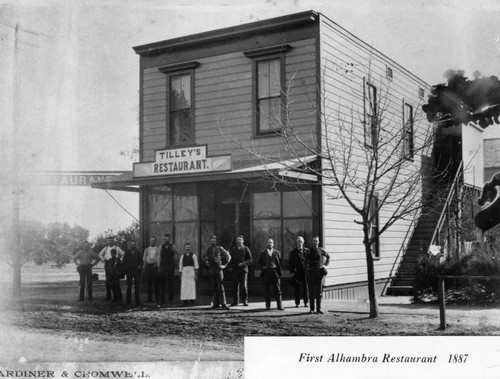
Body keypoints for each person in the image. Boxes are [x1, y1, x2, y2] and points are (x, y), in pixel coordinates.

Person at [203, 235, 231, 310]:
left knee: (221, 287)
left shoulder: (220, 248)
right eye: (212, 240)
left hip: (219, 269)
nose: (213, 242)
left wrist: (224, 265)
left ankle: (224, 304)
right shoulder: (208, 249)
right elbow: (203, 257)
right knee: (214, 287)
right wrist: (207, 263)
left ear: (216, 241)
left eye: (214, 240)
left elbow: (228, 256)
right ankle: (216, 304)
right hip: (212, 270)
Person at [306, 236, 330, 314]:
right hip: (311, 273)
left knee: (319, 292)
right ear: (312, 242)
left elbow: (328, 256)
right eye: (314, 241)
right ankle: (312, 309)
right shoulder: (309, 251)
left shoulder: (321, 250)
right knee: (311, 291)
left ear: (318, 242)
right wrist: (307, 269)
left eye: (316, 241)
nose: (315, 242)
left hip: (319, 273)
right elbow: (305, 261)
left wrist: (325, 265)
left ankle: (318, 309)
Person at [257, 238, 284, 311]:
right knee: (267, 289)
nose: (270, 244)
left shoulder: (277, 253)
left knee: (277, 289)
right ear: (266, 244)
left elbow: (280, 262)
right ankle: (268, 305)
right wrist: (263, 267)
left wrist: (276, 268)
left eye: (271, 243)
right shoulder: (263, 253)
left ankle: (279, 306)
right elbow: (259, 262)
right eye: (269, 242)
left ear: (273, 244)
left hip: (275, 272)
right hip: (267, 272)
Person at [98, 236, 125, 301]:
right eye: (109, 241)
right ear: (107, 241)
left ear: (113, 241)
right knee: (108, 281)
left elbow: (124, 254)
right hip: (108, 264)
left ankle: (118, 297)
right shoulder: (106, 248)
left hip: (115, 264)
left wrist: (119, 260)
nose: (110, 242)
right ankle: (108, 297)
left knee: (116, 281)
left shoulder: (117, 248)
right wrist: (103, 260)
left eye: (111, 240)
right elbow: (100, 254)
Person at [229, 235, 252, 306]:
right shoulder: (233, 249)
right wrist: (230, 267)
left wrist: (243, 264)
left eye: (240, 240)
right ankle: (235, 301)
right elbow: (230, 259)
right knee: (235, 286)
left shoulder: (246, 248)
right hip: (235, 270)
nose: (239, 241)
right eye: (238, 240)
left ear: (243, 241)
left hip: (243, 270)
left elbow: (250, 260)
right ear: (236, 241)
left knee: (244, 286)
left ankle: (245, 301)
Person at [288, 236, 309, 308]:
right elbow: (290, 263)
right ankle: (297, 303)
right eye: (298, 242)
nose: (299, 243)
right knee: (297, 288)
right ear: (296, 243)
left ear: (303, 242)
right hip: (297, 272)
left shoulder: (307, 251)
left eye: (301, 242)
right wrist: (292, 272)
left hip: (305, 272)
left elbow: (309, 261)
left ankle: (306, 302)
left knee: (305, 287)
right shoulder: (293, 252)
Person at [122, 240, 143, 306]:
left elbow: (141, 261)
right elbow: (124, 262)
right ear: (130, 245)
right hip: (129, 272)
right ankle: (128, 302)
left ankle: (137, 302)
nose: (132, 245)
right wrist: (125, 270)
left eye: (134, 244)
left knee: (137, 287)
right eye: (131, 244)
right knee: (129, 286)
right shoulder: (127, 252)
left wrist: (140, 266)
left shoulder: (138, 252)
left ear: (135, 245)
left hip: (136, 271)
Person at [159, 234, 177, 304]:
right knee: (162, 283)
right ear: (164, 239)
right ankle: (162, 300)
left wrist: (174, 261)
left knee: (171, 283)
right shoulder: (161, 247)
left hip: (170, 267)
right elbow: (159, 256)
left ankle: (171, 299)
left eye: (168, 239)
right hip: (163, 267)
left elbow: (178, 253)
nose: (166, 240)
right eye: (165, 239)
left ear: (169, 239)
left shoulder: (173, 246)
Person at [179, 242, 199, 306]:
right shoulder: (182, 256)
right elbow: (180, 266)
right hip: (184, 272)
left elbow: (196, 266)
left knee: (191, 287)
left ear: (190, 248)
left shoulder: (194, 256)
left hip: (191, 272)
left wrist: (196, 275)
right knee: (184, 287)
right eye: (186, 247)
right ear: (185, 248)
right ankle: (185, 301)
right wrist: (180, 275)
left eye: (189, 247)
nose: (187, 248)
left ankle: (192, 301)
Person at [142, 236, 160, 303]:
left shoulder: (157, 249)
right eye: (151, 240)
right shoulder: (146, 249)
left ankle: (157, 299)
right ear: (150, 241)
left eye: (153, 240)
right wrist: (144, 267)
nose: (152, 241)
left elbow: (158, 258)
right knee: (149, 283)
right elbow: (144, 259)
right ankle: (149, 299)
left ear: (155, 241)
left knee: (156, 283)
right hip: (148, 266)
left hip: (154, 266)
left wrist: (158, 266)